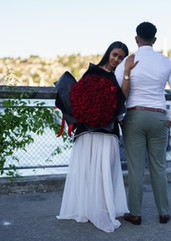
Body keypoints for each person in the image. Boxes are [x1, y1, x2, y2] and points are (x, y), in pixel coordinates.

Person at [56, 41, 133, 233]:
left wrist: (126, 73)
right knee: (90, 170)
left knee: (106, 169)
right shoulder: (91, 72)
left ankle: (104, 209)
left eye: (121, 57)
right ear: (109, 53)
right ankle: (89, 209)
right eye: (115, 54)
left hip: (109, 130)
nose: (116, 59)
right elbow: (79, 97)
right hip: (88, 129)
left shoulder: (119, 75)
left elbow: (122, 99)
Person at [115, 22, 171, 225]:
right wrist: (170, 117)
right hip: (158, 115)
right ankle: (163, 212)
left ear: (136, 39)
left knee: (136, 168)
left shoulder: (126, 62)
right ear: (154, 40)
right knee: (159, 166)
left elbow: (117, 93)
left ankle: (135, 213)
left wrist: (120, 118)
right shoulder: (166, 62)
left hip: (134, 116)